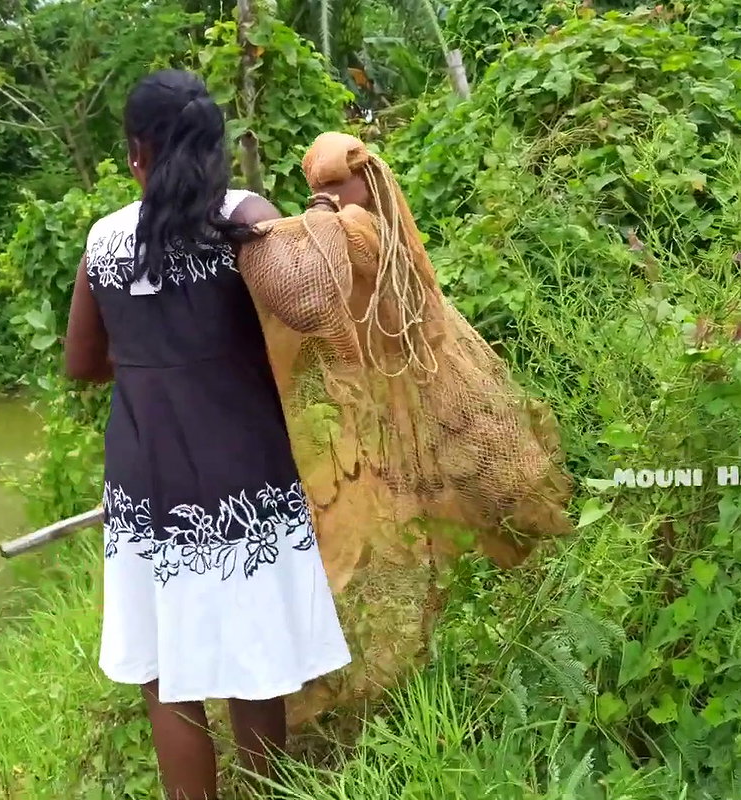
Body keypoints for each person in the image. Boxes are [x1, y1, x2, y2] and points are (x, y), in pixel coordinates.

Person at [62, 70, 351, 800]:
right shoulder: (246, 218)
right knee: (253, 655)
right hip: (241, 477)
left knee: (166, 672)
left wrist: (148, 359)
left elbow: (81, 363)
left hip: (146, 478)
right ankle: (269, 789)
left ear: (136, 153)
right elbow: (307, 313)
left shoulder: (104, 241)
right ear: (214, 148)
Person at [238, 132, 574, 726]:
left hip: (434, 393)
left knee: (499, 494)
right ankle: (415, 668)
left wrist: (309, 225)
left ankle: (548, 606)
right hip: (389, 412)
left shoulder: (363, 235)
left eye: (338, 186)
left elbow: (336, 271)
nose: (329, 198)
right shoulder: (343, 236)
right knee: (408, 532)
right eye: (318, 189)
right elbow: (313, 300)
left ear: (369, 182)